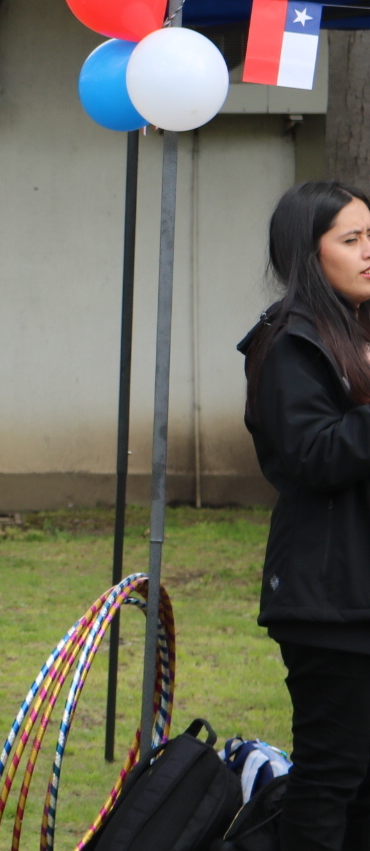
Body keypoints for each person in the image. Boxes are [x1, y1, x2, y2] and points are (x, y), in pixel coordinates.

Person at [238, 179, 370, 851]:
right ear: (307, 252)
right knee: (332, 773)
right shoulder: (289, 342)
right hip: (327, 600)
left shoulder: (355, 331)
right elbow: (310, 458)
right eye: (352, 239)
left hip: (357, 592)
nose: (369, 252)